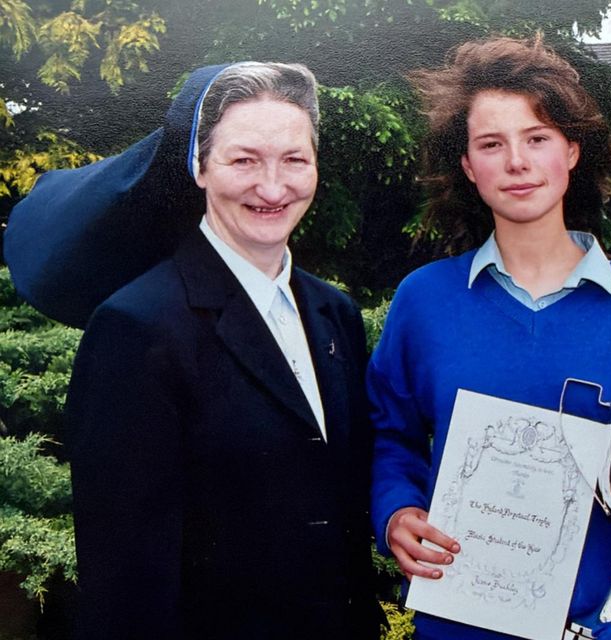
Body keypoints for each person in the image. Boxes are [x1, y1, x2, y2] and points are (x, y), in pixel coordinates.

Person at [368, 35, 611, 640]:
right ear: (469, 167)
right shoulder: (425, 301)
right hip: (458, 625)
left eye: (537, 138)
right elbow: (392, 436)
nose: (516, 162)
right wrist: (395, 511)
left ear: (572, 151)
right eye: (492, 144)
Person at [45, 62, 382, 638]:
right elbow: (125, 579)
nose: (273, 187)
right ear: (200, 166)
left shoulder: (336, 316)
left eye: (294, 160)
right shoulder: (137, 328)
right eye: (244, 160)